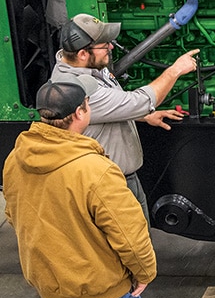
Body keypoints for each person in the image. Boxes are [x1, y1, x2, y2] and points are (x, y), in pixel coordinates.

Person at [3, 75, 157, 298]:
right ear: (79, 113)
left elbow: (15, 216)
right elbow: (129, 234)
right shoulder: (96, 170)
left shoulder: (15, 160)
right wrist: (145, 272)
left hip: (53, 295)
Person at [51, 13, 199, 222]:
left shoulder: (89, 68)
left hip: (124, 178)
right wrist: (174, 71)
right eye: (105, 45)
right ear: (83, 53)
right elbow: (136, 102)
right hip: (108, 186)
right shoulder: (78, 87)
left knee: (139, 239)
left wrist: (145, 116)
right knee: (131, 246)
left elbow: (111, 107)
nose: (111, 48)